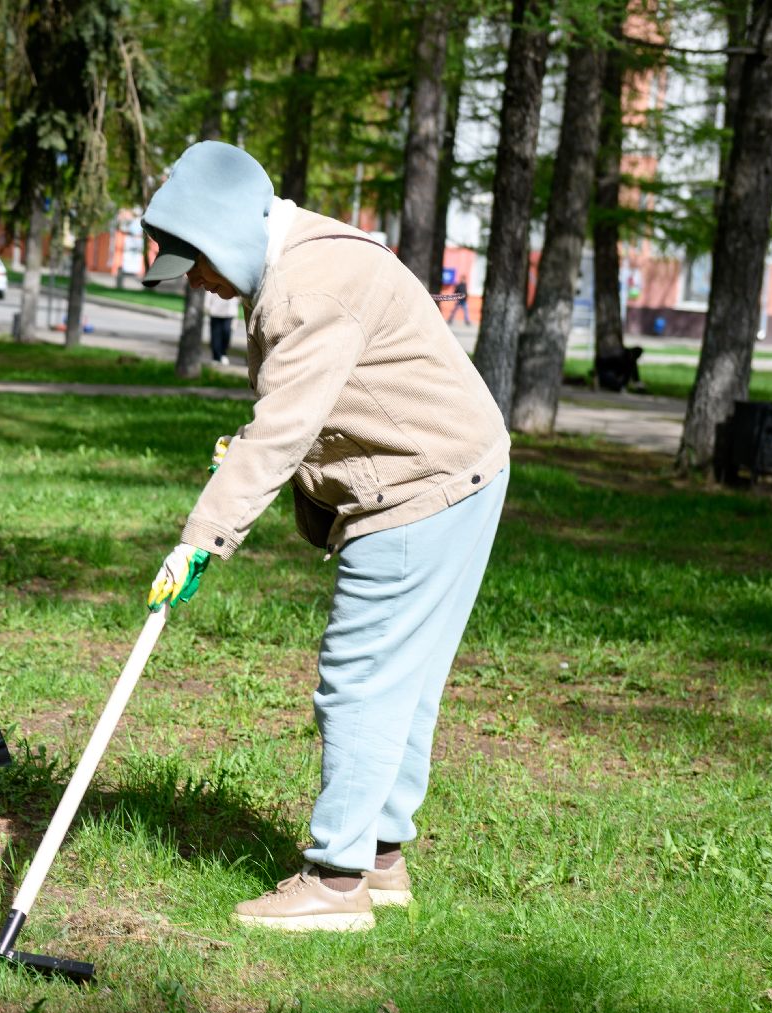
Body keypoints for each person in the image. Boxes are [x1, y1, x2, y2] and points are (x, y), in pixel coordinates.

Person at [141, 141, 509, 933]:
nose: (198, 284)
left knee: (363, 674)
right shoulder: (299, 255)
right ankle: (380, 859)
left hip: (420, 484)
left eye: (197, 265)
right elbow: (302, 411)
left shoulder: (311, 285)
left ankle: (336, 881)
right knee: (403, 679)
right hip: (460, 464)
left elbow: (281, 430)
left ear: (221, 234)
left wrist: (199, 539)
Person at [206, 288, 239, 363]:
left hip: (229, 312)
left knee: (226, 332)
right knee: (215, 335)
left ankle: (223, 353)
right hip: (215, 311)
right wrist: (207, 306)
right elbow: (209, 291)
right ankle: (216, 357)